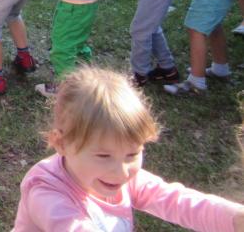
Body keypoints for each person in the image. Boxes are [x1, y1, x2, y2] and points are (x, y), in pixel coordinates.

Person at [13, 66, 244, 231]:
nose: (122, 171)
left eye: (132, 154)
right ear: (61, 143)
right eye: (104, 155)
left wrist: (235, 219)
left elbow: (175, 200)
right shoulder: (45, 191)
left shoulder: (121, 178)